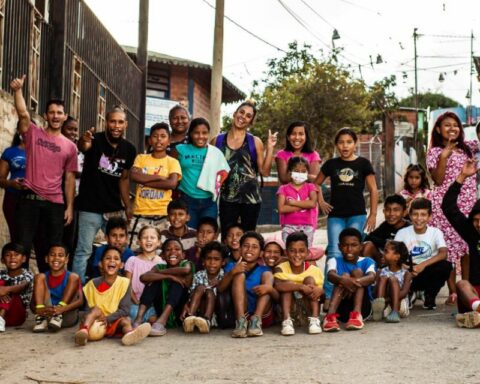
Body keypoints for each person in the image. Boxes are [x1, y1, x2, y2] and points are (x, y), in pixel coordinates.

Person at [10, 75, 78, 271]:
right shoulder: (33, 133)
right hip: (29, 201)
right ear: (46, 115)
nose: (56, 116)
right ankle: (18, 294)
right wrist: (17, 91)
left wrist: (69, 207)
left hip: (54, 205)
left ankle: (47, 296)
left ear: (65, 116)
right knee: (21, 248)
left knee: (51, 252)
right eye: (52, 112)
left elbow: (69, 179)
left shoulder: (70, 147)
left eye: (60, 113)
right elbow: (23, 114)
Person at [73, 106, 137, 283]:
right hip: (89, 207)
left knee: (119, 250)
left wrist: (127, 205)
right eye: (113, 121)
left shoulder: (130, 149)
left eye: (120, 122)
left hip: (114, 210)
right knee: (83, 251)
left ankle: (118, 288)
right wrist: (84, 141)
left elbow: (124, 179)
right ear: (106, 122)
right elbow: (83, 146)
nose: (116, 125)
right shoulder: (96, 139)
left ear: (126, 124)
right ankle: (77, 292)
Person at [315, 127, 378, 305]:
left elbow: (373, 189)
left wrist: (373, 214)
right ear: (336, 145)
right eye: (341, 142)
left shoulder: (363, 164)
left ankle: (354, 289)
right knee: (335, 251)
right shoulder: (331, 164)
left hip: (357, 214)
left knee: (353, 251)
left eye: (349, 142)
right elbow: (315, 184)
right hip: (336, 215)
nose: (345, 145)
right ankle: (329, 295)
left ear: (355, 144)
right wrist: (321, 202)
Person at [426, 111, 478, 305]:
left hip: (468, 203)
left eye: (455, 125)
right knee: (448, 249)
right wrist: (444, 157)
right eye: (447, 125)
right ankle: (453, 291)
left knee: (466, 247)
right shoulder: (434, 152)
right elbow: (438, 180)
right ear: (438, 129)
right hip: (446, 206)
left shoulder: (468, 148)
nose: (452, 128)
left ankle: (467, 286)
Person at [212, 100, 278, 238]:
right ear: (235, 113)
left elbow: (264, 172)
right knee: (227, 238)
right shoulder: (217, 141)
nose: (243, 117)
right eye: (241, 112)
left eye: (248, 116)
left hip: (251, 200)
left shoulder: (254, 141)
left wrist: (270, 148)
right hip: (227, 199)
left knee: (248, 239)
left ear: (251, 122)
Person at [74, 246, 151, 346]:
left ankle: (129, 334)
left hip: (113, 321)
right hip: (94, 324)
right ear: (101, 264)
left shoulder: (124, 283)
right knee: (95, 310)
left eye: (116, 258)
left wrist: (107, 318)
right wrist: (97, 316)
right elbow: (87, 309)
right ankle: (84, 332)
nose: (112, 261)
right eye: (108, 258)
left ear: (121, 265)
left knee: (126, 320)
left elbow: (125, 310)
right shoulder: (91, 284)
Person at [129, 122, 181, 248]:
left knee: (160, 252)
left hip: (163, 214)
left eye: (163, 136)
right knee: (135, 249)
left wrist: (144, 179)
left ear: (169, 141)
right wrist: (158, 177)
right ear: (150, 140)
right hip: (140, 213)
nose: (159, 139)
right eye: (155, 136)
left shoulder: (172, 162)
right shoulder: (141, 158)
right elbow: (134, 176)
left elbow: (172, 184)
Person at [441, 159, 480, 327]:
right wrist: (462, 176)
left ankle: (475, 319)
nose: (479, 224)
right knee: (462, 283)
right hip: (473, 294)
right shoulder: (471, 234)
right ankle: (478, 311)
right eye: (476, 220)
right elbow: (449, 207)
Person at [394, 198, 451, 310]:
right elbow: (394, 255)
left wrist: (422, 265)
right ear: (409, 215)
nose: (419, 218)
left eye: (423, 214)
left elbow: (443, 253)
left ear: (430, 217)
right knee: (393, 266)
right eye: (415, 214)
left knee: (446, 266)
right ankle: (409, 293)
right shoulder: (402, 233)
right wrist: (405, 267)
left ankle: (429, 295)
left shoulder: (435, 232)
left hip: (426, 272)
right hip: (408, 273)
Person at [218, 232, 274, 338]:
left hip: (262, 314)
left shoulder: (264, 270)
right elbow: (220, 289)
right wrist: (233, 272)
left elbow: (276, 297)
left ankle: (256, 320)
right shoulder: (231, 266)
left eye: (254, 247)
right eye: (246, 246)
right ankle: (240, 322)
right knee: (240, 276)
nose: (249, 250)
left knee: (267, 278)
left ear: (261, 253)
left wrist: (269, 289)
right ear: (239, 249)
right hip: (243, 312)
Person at [177, 117, 230, 228]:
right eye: (196, 133)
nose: (201, 136)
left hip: (209, 202)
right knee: (189, 235)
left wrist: (216, 186)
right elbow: (171, 171)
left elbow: (225, 172)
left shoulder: (215, 152)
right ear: (191, 133)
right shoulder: (180, 149)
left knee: (208, 236)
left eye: (204, 133)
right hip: (187, 200)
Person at [133, 239, 193, 336]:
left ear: (183, 255)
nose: (173, 252)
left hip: (179, 311)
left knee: (177, 283)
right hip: (161, 307)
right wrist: (169, 276)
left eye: (177, 249)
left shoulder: (186, 264)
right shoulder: (159, 267)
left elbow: (186, 270)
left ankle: (162, 321)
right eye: (168, 250)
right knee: (152, 281)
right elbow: (143, 277)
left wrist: (160, 273)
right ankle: (138, 320)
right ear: (163, 256)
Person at [322, 228, 376, 332]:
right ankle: (330, 316)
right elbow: (330, 275)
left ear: (360, 247)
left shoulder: (368, 261)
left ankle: (356, 315)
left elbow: (371, 277)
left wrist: (353, 281)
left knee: (358, 273)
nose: (349, 249)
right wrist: (344, 280)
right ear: (339, 247)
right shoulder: (334, 261)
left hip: (363, 307)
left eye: (354, 245)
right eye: (345, 245)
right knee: (343, 276)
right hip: (341, 308)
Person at [274, 232, 323, 336]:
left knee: (309, 279)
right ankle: (287, 321)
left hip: (307, 308)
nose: (297, 255)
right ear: (286, 252)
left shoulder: (314, 270)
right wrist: (300, 286)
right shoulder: (280, 268)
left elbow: (321, 293)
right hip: (289, 309)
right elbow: (278, 286)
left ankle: (314, 320)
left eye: (301, 251)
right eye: (292, 251)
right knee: (287, 285)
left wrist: (319, 290)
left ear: (307, 252)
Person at [31, 244, 83, 332]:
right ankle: (41, 320)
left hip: (66, 315)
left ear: (66, 259)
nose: (56, 258)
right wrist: (40, 309)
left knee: (74, 276)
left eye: (60, 255)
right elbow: (32, 304)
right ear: (46, 259)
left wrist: (61, 309)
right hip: (47, 315)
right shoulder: (42, 279)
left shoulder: (71, 277)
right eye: (52, 255)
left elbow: (80, 301)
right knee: (39, 276)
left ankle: (58, 316)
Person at [182, 241, 227, 334]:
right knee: (200, 288)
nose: (212, 262)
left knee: (209, 292)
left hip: (217, 312)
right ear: (203, 261)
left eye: (216, 259)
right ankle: (190, 317)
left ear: (223, 262)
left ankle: (207, 320)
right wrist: (187, 304)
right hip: (200, 309)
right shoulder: (199, 275)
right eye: (208, 259)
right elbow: (192, 293)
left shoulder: (224, 277)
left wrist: (218, 284)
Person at [124, 226, 163, 323]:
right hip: (135, 303)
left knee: (153, 319)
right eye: (145, 237)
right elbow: (127, 285)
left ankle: (146, 326)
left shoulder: (162, 263)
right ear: (139, 241)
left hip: (153, 305)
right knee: (130, 316)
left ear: (158, 242)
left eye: (152, 238)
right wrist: (136, 302)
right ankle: (135, 327)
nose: (148, 240)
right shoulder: (132, 260)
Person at [277, 157, 318, 247]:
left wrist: (292, 203)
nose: (300, 174)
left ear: (307, 173)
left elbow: (312, 203)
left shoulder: (311, 187)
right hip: (288, 227)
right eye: (296, 170)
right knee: (289, 250)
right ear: (290, 171)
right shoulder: (283, 188)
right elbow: (282, 209)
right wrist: (305, 204)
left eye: (303, 171)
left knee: (305, 251)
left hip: (307, 227)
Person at [362, 194, 410, 264]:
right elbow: (370, 237)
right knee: (367, 245)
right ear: (384, 211)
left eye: (396, 210)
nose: (391, 213)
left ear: (404, 212)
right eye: (388, 210)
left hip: (403, 264)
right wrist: (386, 243)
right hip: (385, 261)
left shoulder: (409, 228)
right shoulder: (385, 225)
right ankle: (371, 271)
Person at [371, 240, 412, 323]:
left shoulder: (406, 273)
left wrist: (388, 299)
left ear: (397, 256)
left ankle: (395, 312)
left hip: (399, 304)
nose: (383, 253)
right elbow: (374, 291)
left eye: (386, 251)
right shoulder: (380, 271)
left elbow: (404, 293)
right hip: (385, 305)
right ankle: (379, 310)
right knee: (383, 278)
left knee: (393, 280)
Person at [0, 243, 34, 332]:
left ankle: (0, 318)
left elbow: (22, 286)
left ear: (24, 259)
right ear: (3, 260)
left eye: (16, 254)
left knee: (8, 287)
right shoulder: (1, 274)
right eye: (8, 255)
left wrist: (5, 289)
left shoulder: (28, 275)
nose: (12, 257)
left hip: (17, 314)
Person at [0, 131, 26, 241]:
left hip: (33, 199)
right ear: (19, 132)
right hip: (13, 198)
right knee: (16, 237)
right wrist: (11, 183)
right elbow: (1, 179)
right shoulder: (10, 152)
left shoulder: (41, 151)